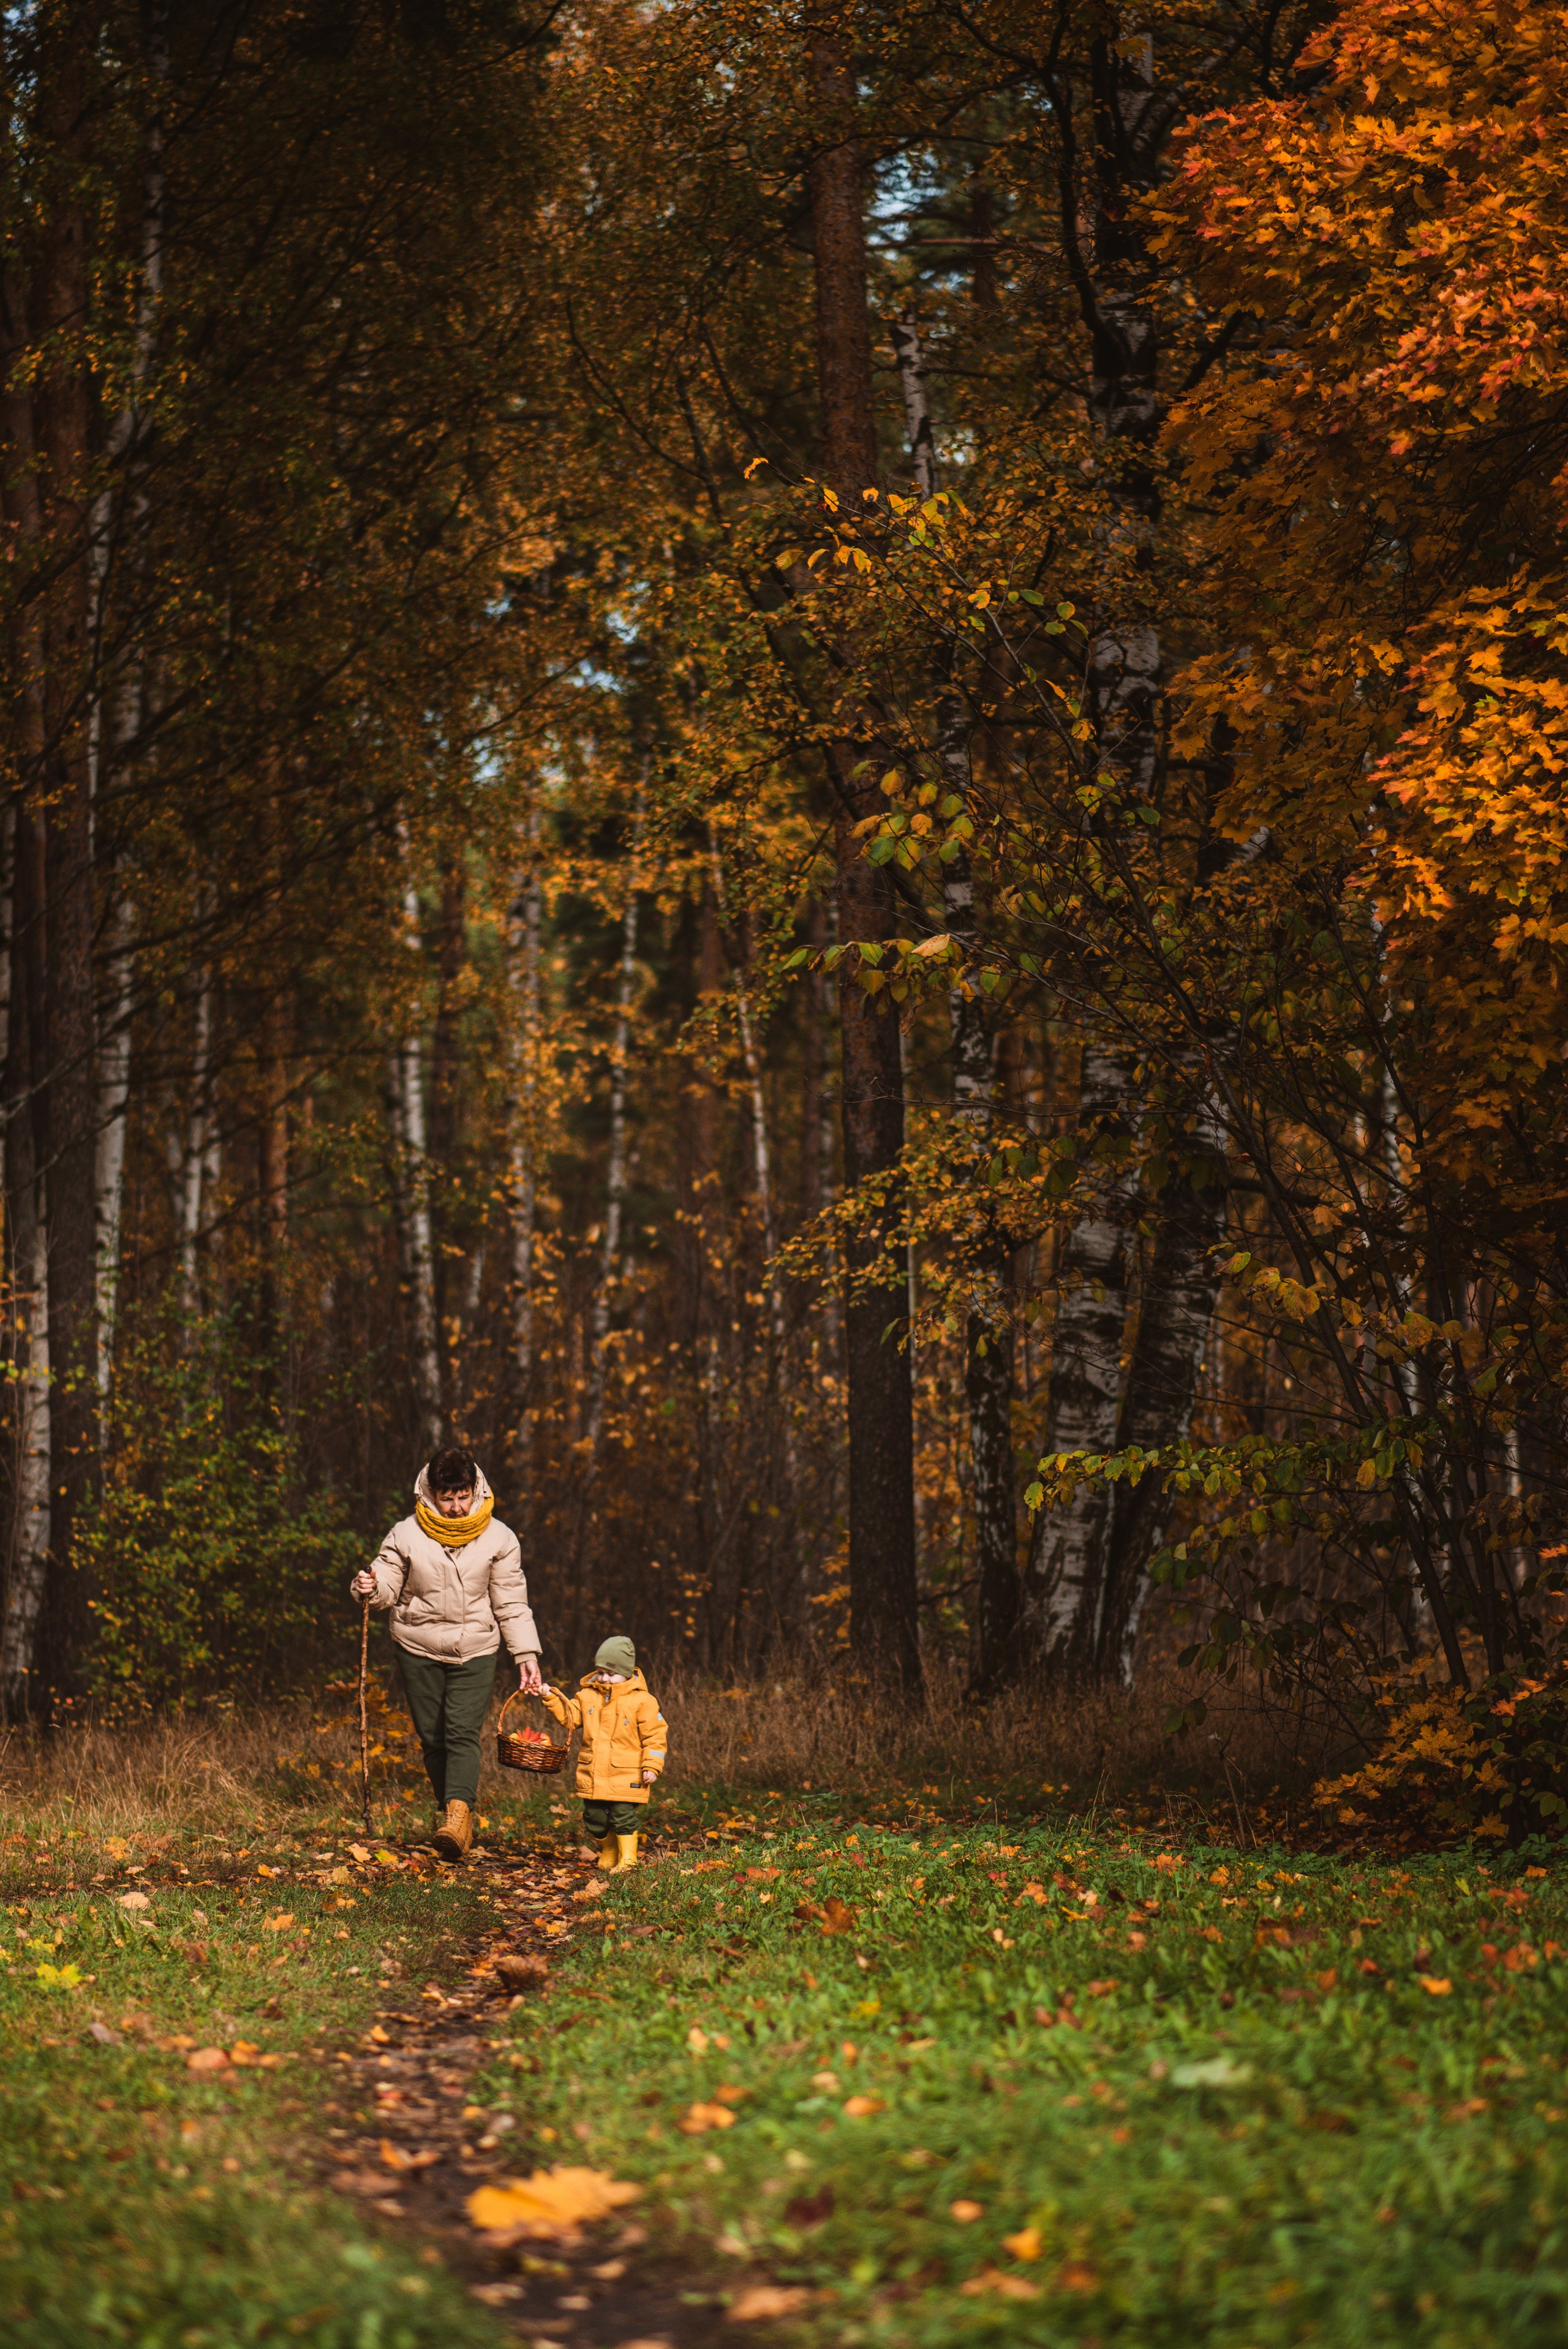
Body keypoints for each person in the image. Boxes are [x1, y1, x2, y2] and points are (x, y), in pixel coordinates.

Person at [350, 1446, 543, 1859]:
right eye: (447, 1497)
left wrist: (526, 1653)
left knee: (461, 1732)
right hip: (417, 1645)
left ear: (476, 1489)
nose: (456, 1507)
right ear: (430, 1494)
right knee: (434, 1739)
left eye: (463, 1496)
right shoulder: (405, 1533)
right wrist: (368, 1587)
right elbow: (386, 1579)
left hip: (476, 1647)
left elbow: (511, 1600)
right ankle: (454, 1818)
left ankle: (457, 1818)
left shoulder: (500, 1537)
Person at [541, 1635, 666, 1874]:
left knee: (623, 1816)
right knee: (594, 1818)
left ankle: (629, 1859)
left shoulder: (643, 1701)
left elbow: (656, 1736)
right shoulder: (588, 1696)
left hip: (627, 1773)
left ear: (627, 1673)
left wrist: (652, 1765)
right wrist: (551, 1697)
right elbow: (571, 1717)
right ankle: (609, 1849)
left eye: (611, 1673)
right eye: (600, 1672)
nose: (605, 1678)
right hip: (593, 1773)